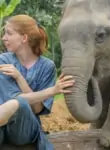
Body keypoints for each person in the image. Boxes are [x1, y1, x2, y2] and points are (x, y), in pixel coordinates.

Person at [0, 14, 75, 150]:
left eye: (9, 33)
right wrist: (52, 91)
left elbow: (37, 108)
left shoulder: (47, 67)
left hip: (24, 130)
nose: (4, 38)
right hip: (2, 130)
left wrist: (19, 78)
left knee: (21, 103)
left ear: (24, 38)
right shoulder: (3, 60)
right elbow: (10, 98)